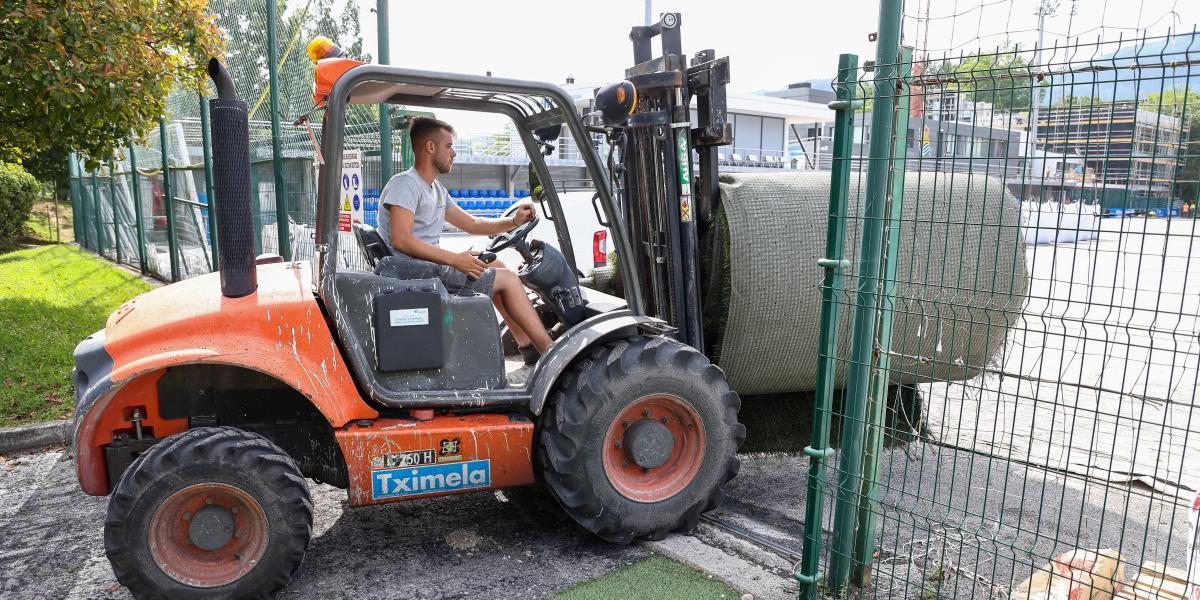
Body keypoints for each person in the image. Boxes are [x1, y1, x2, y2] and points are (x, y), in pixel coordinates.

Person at [377, 117, 552, 364]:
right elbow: (401, 240)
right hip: (418, 277)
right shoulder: (405, 184)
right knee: (510, 280)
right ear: (430, 147)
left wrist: (514, 222)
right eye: (448, 146)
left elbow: (472, 224)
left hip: (430, 269)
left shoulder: (435, 189)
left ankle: (527, 347)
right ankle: (551, 352)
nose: (454, 153)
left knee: (498, 266)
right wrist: (455, 260)